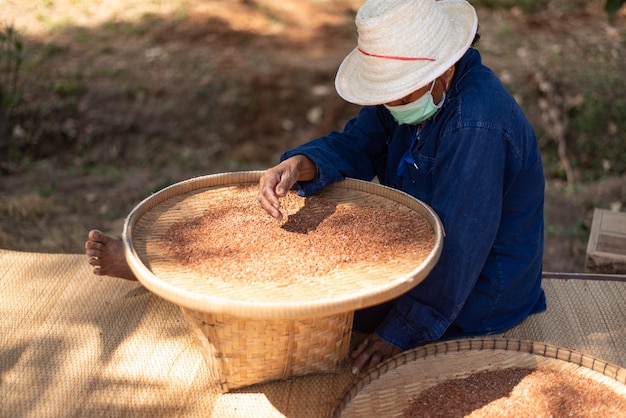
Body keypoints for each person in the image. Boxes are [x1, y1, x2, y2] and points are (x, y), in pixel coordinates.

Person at [87, 0, 546, 376]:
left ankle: (167, 280)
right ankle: (166, 270)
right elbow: (357, 143)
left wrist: (401, 332)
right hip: (421, 252)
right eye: (388, 95)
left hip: (478, 292)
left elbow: (461, 246)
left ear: (443, 71)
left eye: (401, 96)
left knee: (308, 296)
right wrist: (303, 164)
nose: (393, 105)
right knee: (293, 230)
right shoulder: (417, 92)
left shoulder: (478, 125)